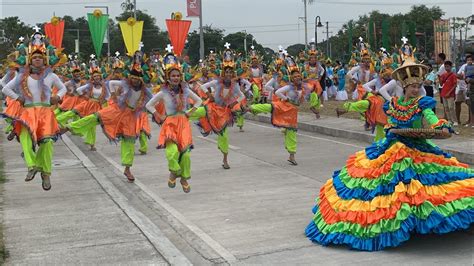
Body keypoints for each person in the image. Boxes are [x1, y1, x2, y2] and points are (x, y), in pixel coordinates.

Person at [305, 52, 474, 251]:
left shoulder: (422, 102)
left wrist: (440, 125)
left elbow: (431, 117)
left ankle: (420, 222)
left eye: (418, 86)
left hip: (416, 147)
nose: (416, 89)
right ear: (404, 86)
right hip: (392, 146)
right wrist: (390, 129)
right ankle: (394, 225)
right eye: (412, 86)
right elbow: (392, 124)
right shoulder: (393, 104)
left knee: (423, 188)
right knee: (385, 189)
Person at [2, 29, 67, 190]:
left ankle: (45, 173)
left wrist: (57, 97)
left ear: (44, 60)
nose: (37, 59)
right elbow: (5, 89)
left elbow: (63, 88)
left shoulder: (51, 76)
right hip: (28, 112)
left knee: (47, 143)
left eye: (40, 57)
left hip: (45, 113)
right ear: (30, 61)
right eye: (34, 57)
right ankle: (32, 166)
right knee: (25, 137)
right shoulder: (22, 76)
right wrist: (18, 98)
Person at [64, 64, 153, 182]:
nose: (135, 80)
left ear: (141, 79)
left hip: (130, 116)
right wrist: (113, 94)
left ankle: (127, 168)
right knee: (96, 117)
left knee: (129, 142)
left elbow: (152, 99)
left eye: (137, 78)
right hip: (117, 109)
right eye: (133, 78)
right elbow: (111, 83)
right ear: (130, 77)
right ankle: (70, 127)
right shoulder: (124, 84)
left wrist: (153, 112)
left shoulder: (144, 90)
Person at [248, 55, 320, 165]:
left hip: (292, 111)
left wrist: (310, 101)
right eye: (294, 77)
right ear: (291, 78)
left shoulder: (304, 87)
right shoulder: (289, 87)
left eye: (298, 76)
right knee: (270, 107)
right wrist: (286, 98)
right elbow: (277, 92)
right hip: (284, 105)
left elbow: (310, 94)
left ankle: (292, 155)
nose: (297, 78)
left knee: (292, 132)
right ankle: (250, 108)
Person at [146, 52, 202, 193]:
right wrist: (158, 114)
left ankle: (183, 178)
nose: (176, 78)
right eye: (173, 76)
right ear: (168, 78)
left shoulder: (186, 90)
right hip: (170, 123)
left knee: (186, 154)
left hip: (183, 123)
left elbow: (199, 100)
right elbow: (149, 105)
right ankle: (174, 172)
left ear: (180, 77)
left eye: (178, 76)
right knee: (172, 152)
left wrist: (190, 112)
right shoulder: (163, 93)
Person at [439, 61, 457, 126]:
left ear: (451, 67)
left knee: (451, 107)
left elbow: (455, 85)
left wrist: (449, 92)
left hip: (450, 94)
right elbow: (441, 84)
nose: (446, 68)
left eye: (448, 66)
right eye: (445, 67)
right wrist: (440, 79)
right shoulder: (444, 74)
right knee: (446, 107)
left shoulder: (453, 75)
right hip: (444, 93)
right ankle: (449, 120)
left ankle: (454, 120)